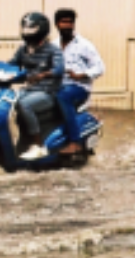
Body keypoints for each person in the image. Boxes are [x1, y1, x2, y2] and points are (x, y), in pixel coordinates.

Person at [10, 13, 66, 161]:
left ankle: (38, 145)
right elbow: (11, 65)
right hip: (29, 90)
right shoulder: (24, 49)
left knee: (24, 104)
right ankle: (18, 142)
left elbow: (59, 69)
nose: (28, 32)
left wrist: (43, 75)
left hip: (48, 92)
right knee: (7, 101)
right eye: (26, 28)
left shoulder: (53, 50)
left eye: (32, 28)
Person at [54, 9, 105, 155]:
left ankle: (74, 142)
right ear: (57, 24)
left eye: (70, 22)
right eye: (64, 22)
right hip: (58, 87)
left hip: (78, 88)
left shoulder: (84, 45)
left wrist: (81, 75)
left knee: (63, 96)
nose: (68, 25)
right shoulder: (53, 46)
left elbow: (100, 67)